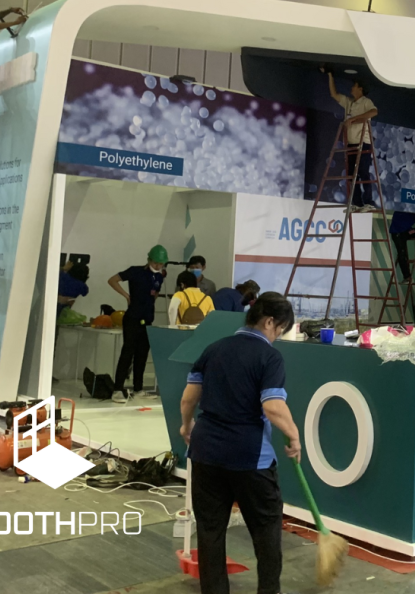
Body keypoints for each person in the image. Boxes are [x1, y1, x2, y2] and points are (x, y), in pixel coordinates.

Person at [180, 292, 301, 594]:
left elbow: (188, 398)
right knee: (266, 531)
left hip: (206, 452)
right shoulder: (269, 357)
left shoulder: (214, 349)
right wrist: (294, 436)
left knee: (210, 530)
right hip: (249, 457)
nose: (277, 336)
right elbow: (273, 407)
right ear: (269, 322)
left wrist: (186, 425)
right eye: (280, 329)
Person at [108, 245, 168, 403]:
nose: (158, 266)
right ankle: (117, 389)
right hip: (133, 318)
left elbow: (154, 294)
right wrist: (126, 295)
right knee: (127, 353)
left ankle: (138, 389)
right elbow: (112, 280)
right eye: (155, 263)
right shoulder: (135, 271)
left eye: (161, 264)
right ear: (149, 260)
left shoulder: (159, 277)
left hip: (147, 319)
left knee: (142, 355)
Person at [324, 68, 377, 212]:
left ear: (360, 89)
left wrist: (353, 119)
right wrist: (330, 75)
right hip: (351, 144)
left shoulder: (366, 102)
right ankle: (357, 203)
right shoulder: (349, 102)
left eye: (354, 86)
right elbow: (334, 95)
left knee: (363, 172)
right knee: (351, 175)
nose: (352, 88)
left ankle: (368, 202)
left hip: (363, 143)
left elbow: (374, 112)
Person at [389, 210, 415, 280]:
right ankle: (407, 276)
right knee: (402, 253)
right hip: (397, 233)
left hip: (407, 232)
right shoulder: (402, 207)